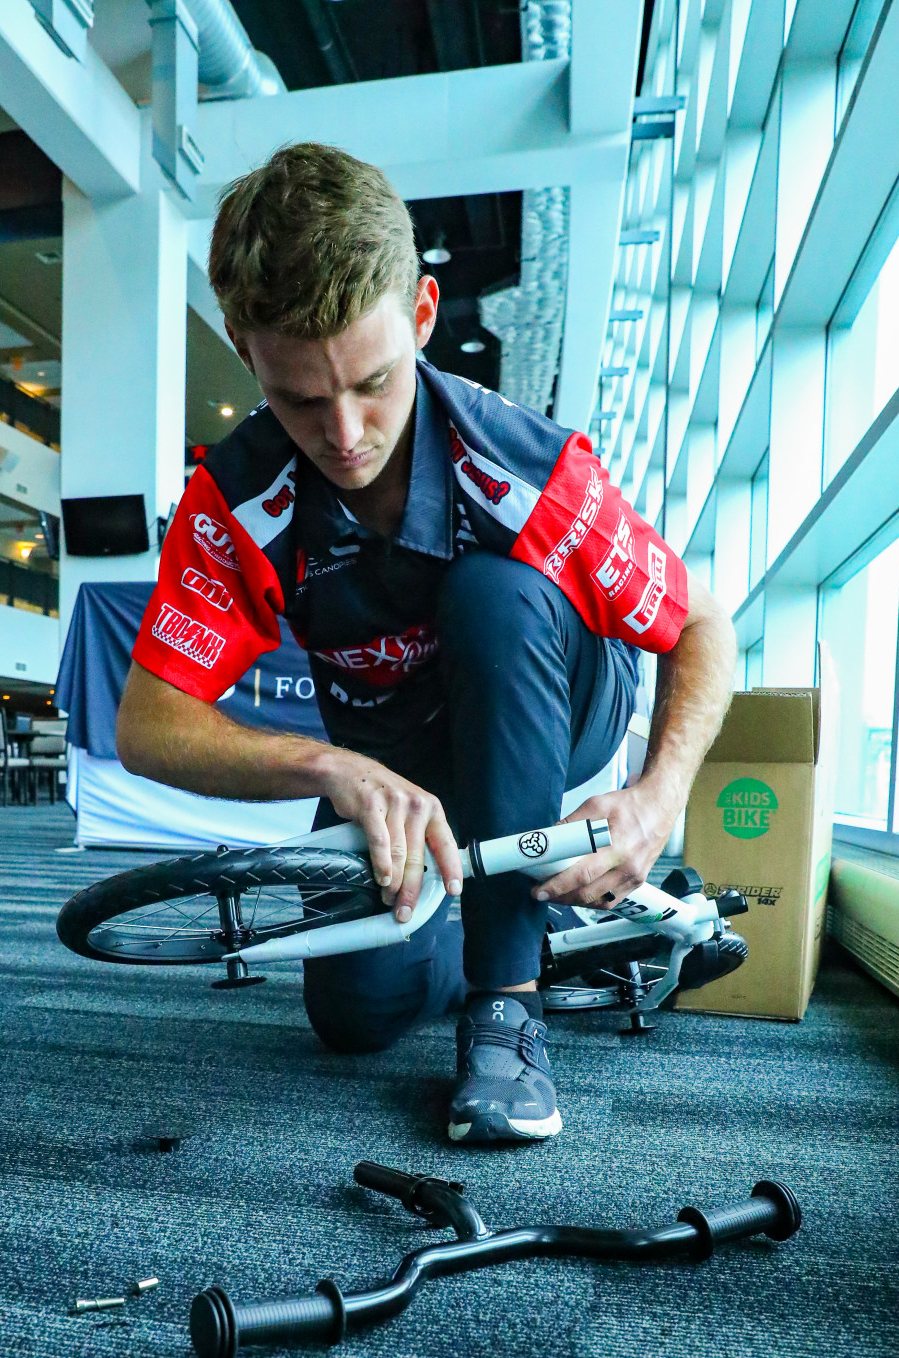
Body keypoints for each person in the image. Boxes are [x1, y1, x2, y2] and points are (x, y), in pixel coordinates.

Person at [116, 142, 737, 1146]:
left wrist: (654, 798)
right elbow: (148, 722)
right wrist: (330, 768)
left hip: (543, 698)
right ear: (242, 345)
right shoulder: (232, 500)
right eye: (302, 401)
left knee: (491, 596)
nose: (348, 433)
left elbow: (703, 627)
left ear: (421, 316)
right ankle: (556, 930)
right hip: (394, 750)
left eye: (371, 382)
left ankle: (509, 1009)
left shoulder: (528, 468)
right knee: (353, 1014)